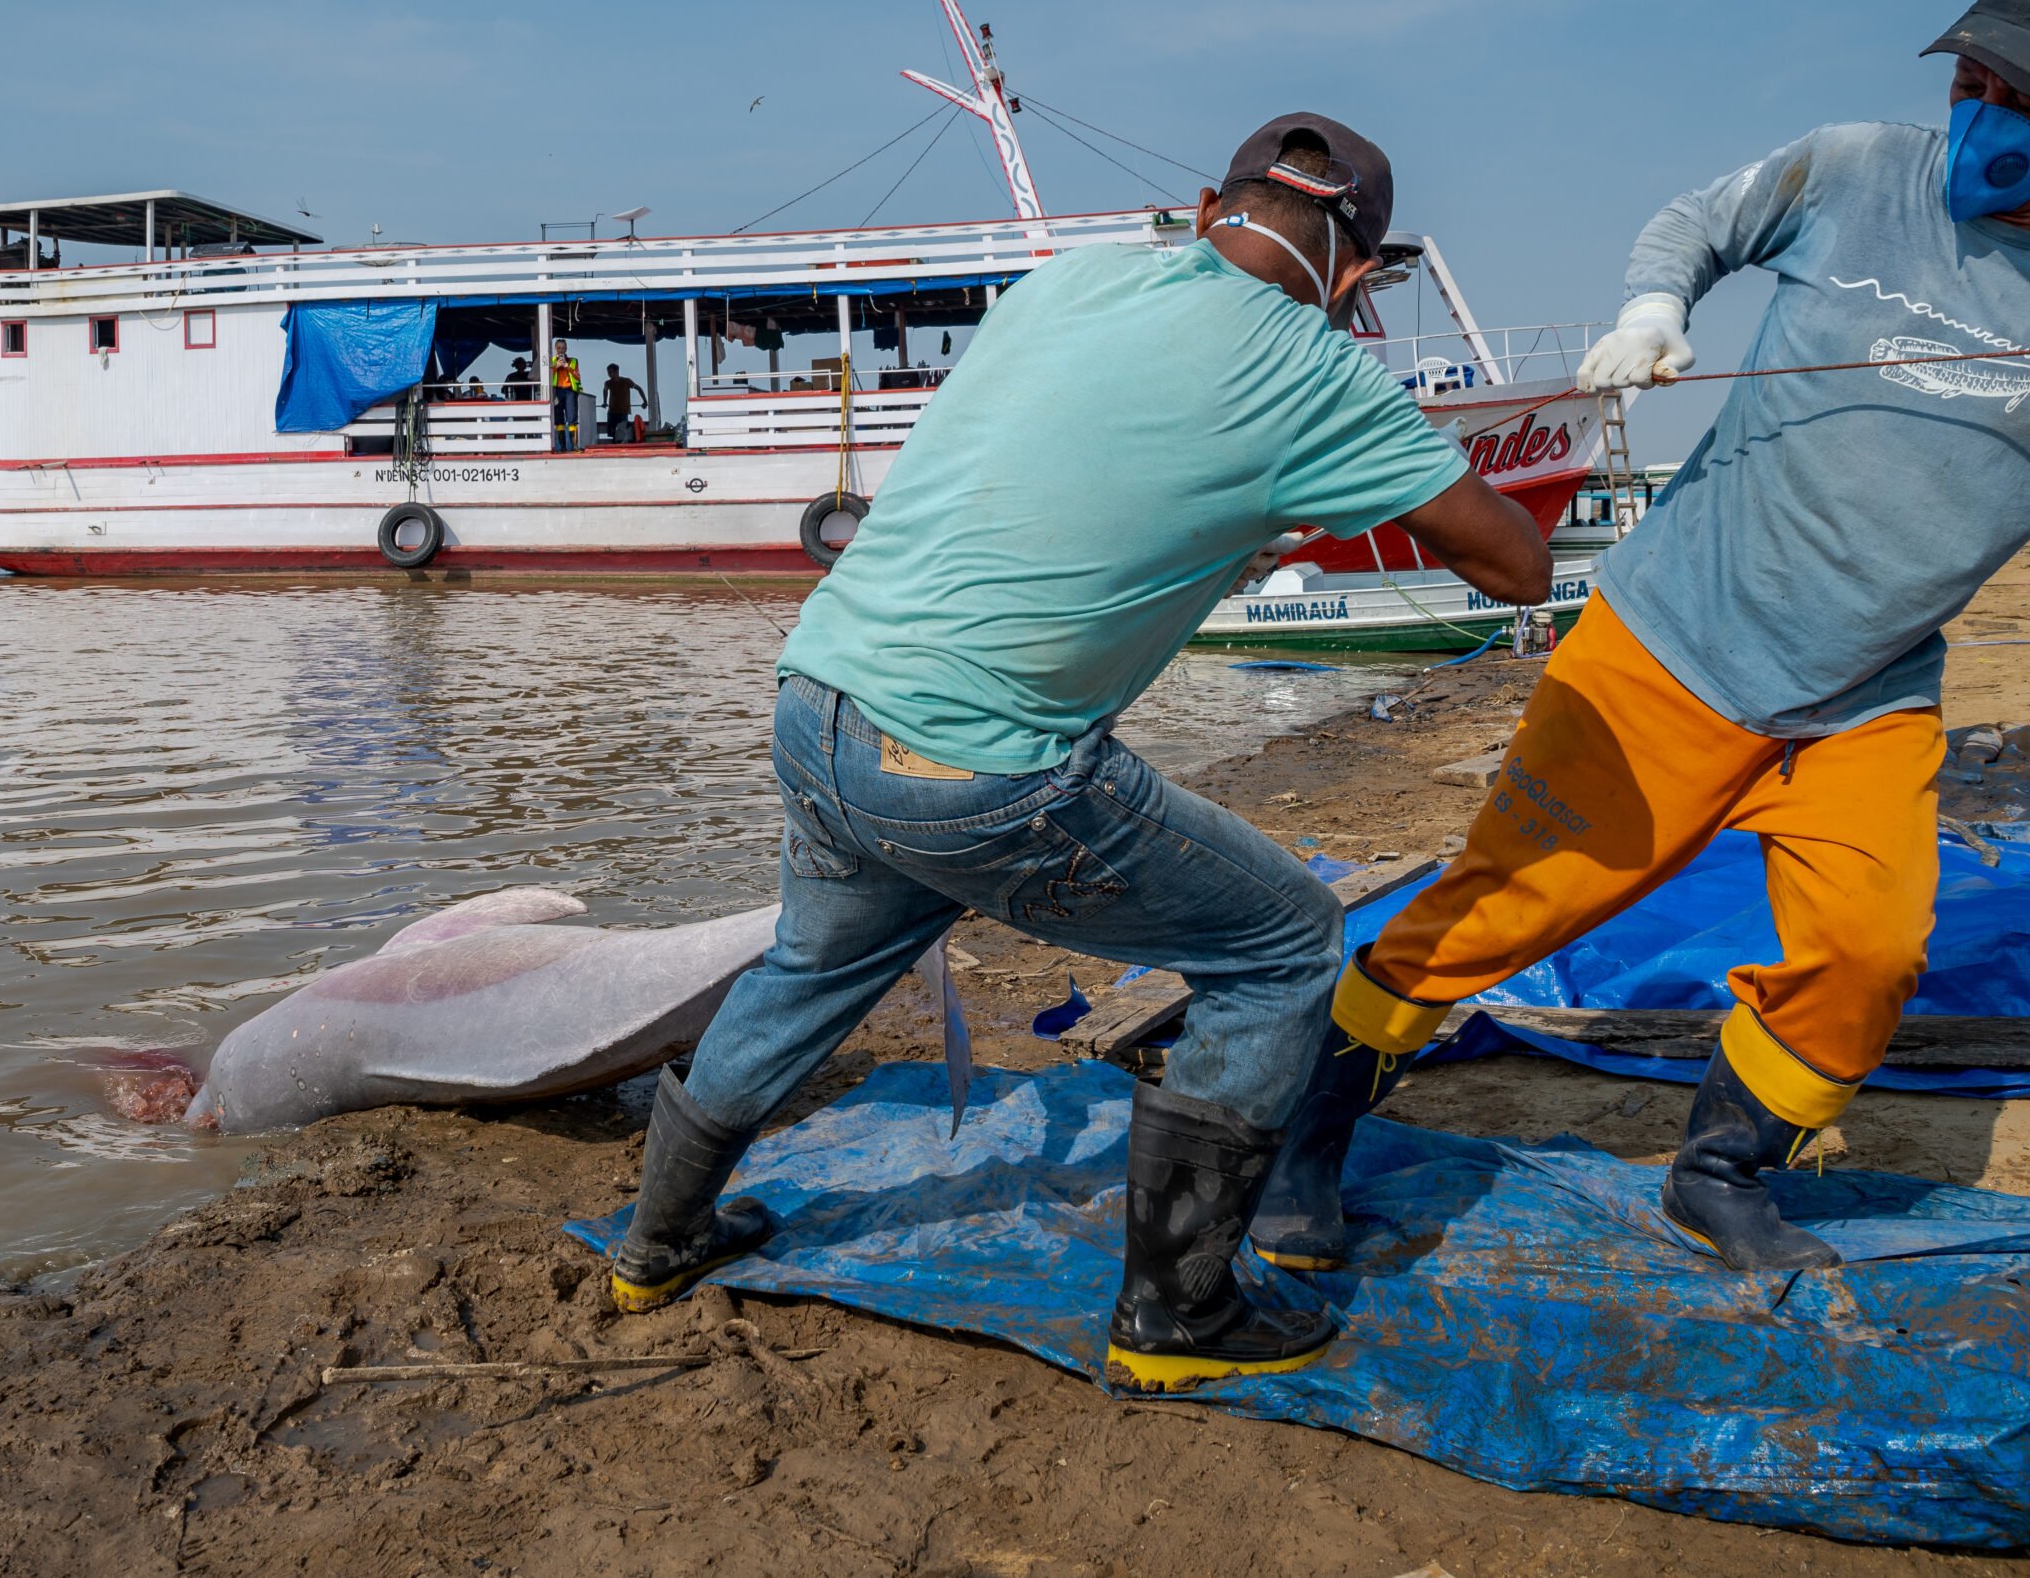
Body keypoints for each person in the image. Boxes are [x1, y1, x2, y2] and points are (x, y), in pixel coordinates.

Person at [1249, 0, 2030, 1279]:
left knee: (1869, 949)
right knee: (1499, 907)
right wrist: (1652, 302)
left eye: (2028, 99)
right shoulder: (1859, 170)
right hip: (1667, 645)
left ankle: (1721, 1166)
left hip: (1864, 692)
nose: (1985, 116)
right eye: (1972, 79)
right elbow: (1700, 221)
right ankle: (1305, 1137)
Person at [599, 113, 1552, 1391]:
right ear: (1356, 269)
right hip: (974, 767)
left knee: (807, 967)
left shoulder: (1078, 277)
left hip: (822, 698)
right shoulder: (1318, 373)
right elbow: (1516, 564)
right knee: (1282, 947)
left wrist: (1245, 515)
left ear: (1209, 203)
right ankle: (1178, 1314)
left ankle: (656, 1241)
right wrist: (1374, 466)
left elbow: (1085, 465)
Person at [550, 339, 583, 451]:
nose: (561, 350)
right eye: (559, 348)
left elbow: (578, 376)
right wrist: (556, 367)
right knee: (558, 420)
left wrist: (567, 366)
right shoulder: (551, 361)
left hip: (570, 391)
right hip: (557, 391)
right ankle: (563, 447)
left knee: (572, 419)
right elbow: (546, 376)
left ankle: (574, 446)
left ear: (566, 349)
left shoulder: (573, 361)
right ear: (555, 349)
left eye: (563, 348)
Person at [602, 363, 645, 442]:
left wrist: (645, 401)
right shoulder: (608, 383)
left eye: (610, 372)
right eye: (608, 372)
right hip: (612, 412)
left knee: (622, 434)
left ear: (616, 371)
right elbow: (605, 391)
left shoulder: (626, 381)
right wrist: (604, 402)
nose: (609, 374)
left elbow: (639, 388)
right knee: (613, 434)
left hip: (623, 413)